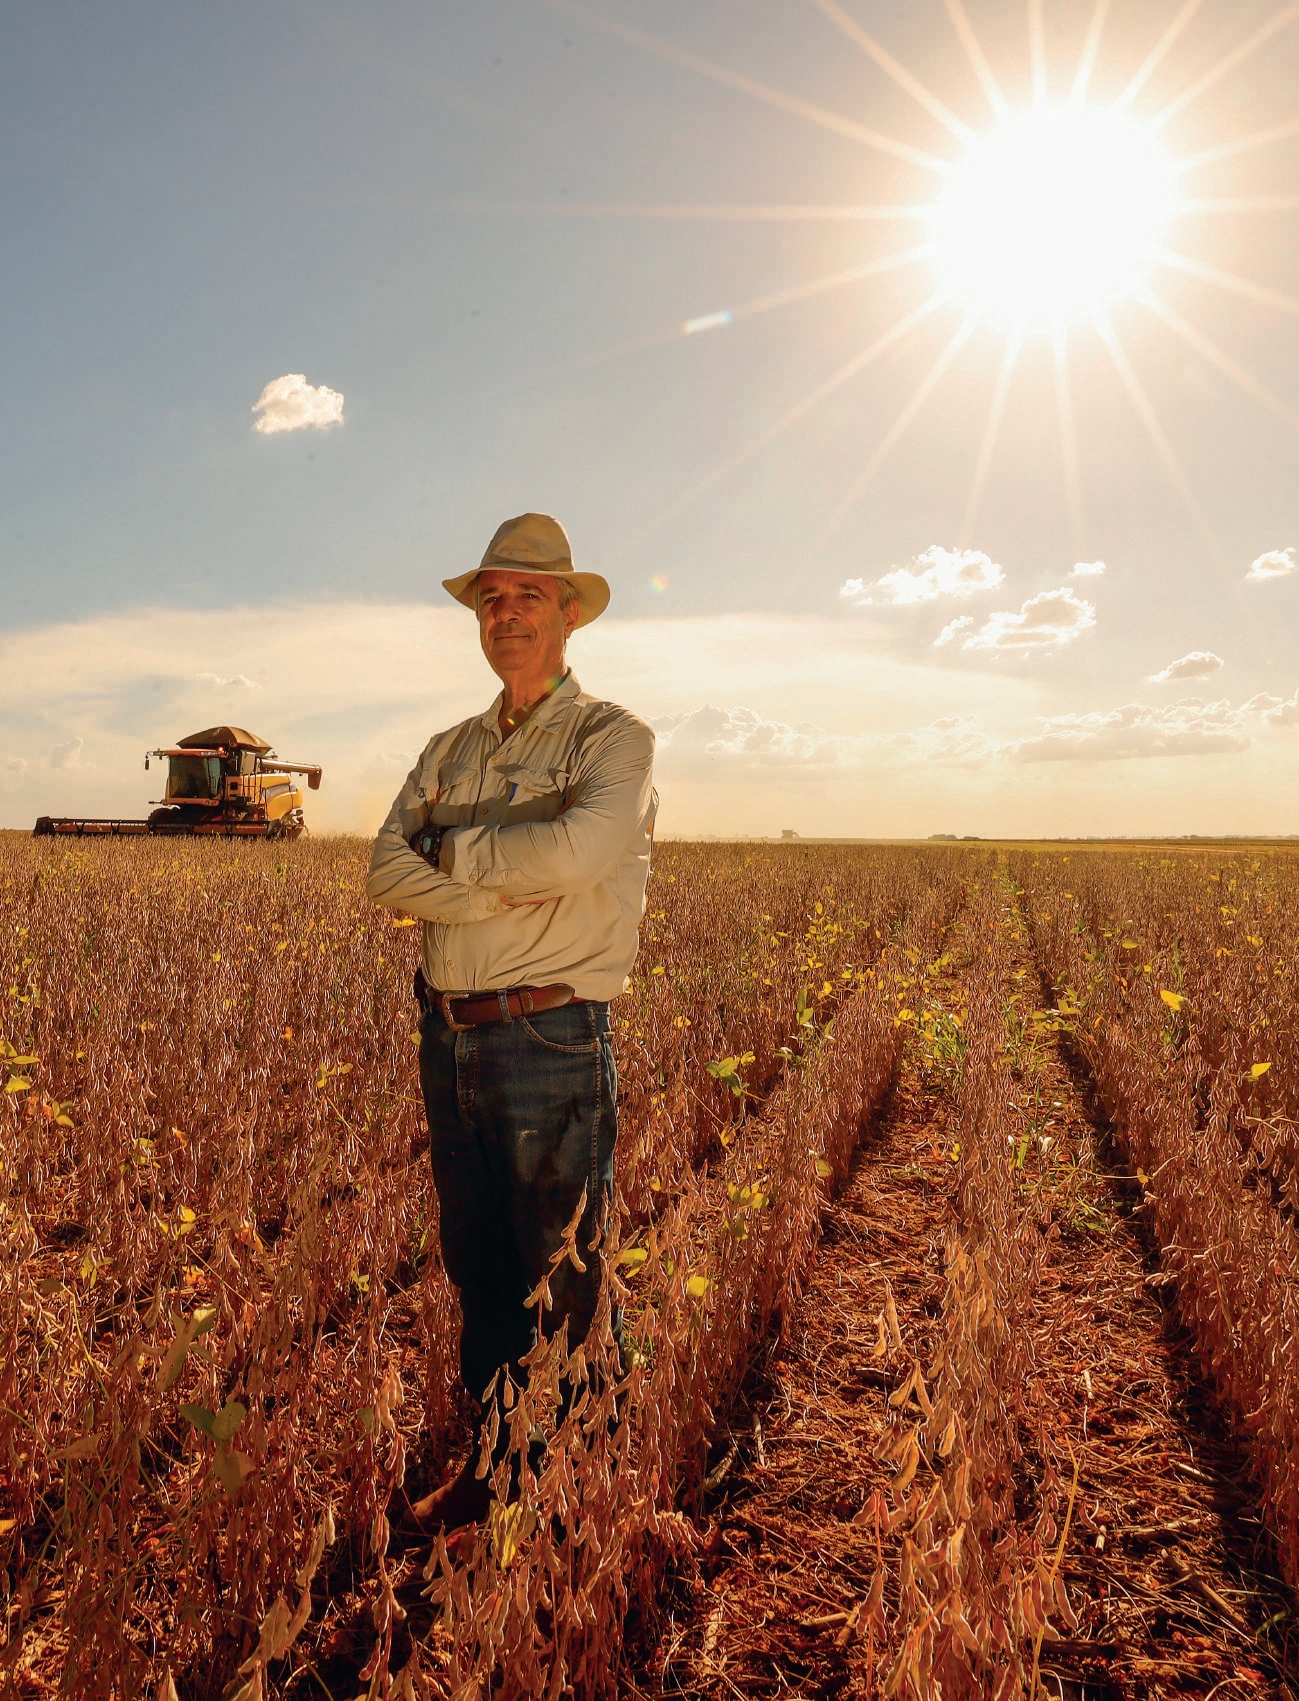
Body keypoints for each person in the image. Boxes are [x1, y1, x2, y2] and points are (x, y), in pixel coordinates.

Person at [367, 512, 656, 1532]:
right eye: (491, 598)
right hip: (449, 1036)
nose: (506, 613)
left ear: (570, 613)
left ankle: (573, 1493)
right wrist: (501, 880)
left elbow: (579, 856)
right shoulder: (448, 746)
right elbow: (381, 869)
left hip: (550, 1038)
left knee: (559, 1275)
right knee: (481, 1267)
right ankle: (499, 1474)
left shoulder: (612, 738)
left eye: (528, 595)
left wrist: (454, 864)